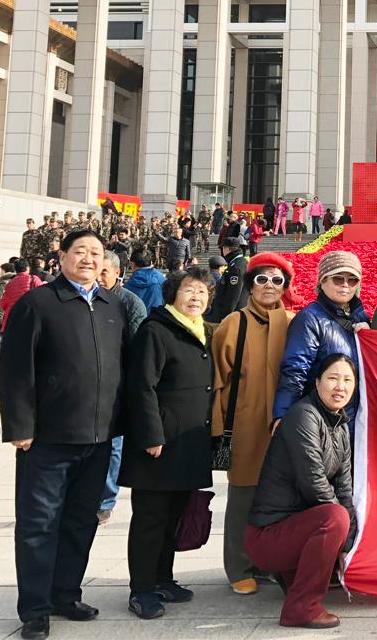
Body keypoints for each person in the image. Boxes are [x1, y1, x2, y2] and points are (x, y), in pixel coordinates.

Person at [0, 229, 127, 640]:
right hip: (47, 439)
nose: (89, 259)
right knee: (38, 524)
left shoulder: (112, 305)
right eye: (80, 251)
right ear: (62, 255)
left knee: (80, 521)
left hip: (99, 438)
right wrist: (20, 427)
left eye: (96, 252)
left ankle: (66, 594)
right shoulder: (38, 303)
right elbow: (15, 369)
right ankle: (35, 609)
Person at [119, 266, 214, 620]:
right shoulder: (156, 330)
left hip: (187, 443)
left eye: (202, 292)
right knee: (150, 518)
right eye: (189, 290)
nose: (196, 297)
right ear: (173, 293)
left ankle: (163, 578)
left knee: (173, 516)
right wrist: (150, 434)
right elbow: (141, 386)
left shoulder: (200, 330)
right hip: (159, 443)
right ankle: (141, 589)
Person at [246, 354, 358, 629]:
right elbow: (313, 482)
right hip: (268, 536)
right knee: (335, 518)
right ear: (317, 382)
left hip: (296, 529)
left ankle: (293, 580)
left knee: (342, 516)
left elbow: (344, 489)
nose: (340, 387)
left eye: (347, 380)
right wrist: (342, 528)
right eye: (332, 378)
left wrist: (347, 545)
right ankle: (301, 608)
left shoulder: (341, 425)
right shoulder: (303, 416)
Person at [212, 253, 296, 594]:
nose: (269, 286)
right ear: (249, 285)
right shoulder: (234, 323)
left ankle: (268, 562)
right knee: (243, 497)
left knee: (279, 498)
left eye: (277, 280)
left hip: (283, 426)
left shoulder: (292, 322)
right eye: (262, 279)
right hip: (245, 423)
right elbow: (218, 379)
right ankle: (239, 567)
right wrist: (218, 427)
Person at [274, 251, 368, 426]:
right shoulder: (310, 319)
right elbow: (295, 370)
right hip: (320, 420)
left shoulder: (360, 318)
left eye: (352, 280)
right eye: (338, 279)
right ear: (322, 281)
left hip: (353, 420)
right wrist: (284, 416)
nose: (345, 285)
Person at [96, 251, 148, 524]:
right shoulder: (86, 299)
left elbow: (138, 347)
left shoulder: (130, 303)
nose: (98, 277)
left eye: (104, 272)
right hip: (90, 386)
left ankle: (105, 500)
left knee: (114, 443)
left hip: (117, 384)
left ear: (118, 273)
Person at [209, 235, 249, 324]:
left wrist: (227, 315)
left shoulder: (236, 266)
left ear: (227, 249)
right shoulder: (238, 262)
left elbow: (234, 294)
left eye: (223, 248)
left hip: (234, 314)